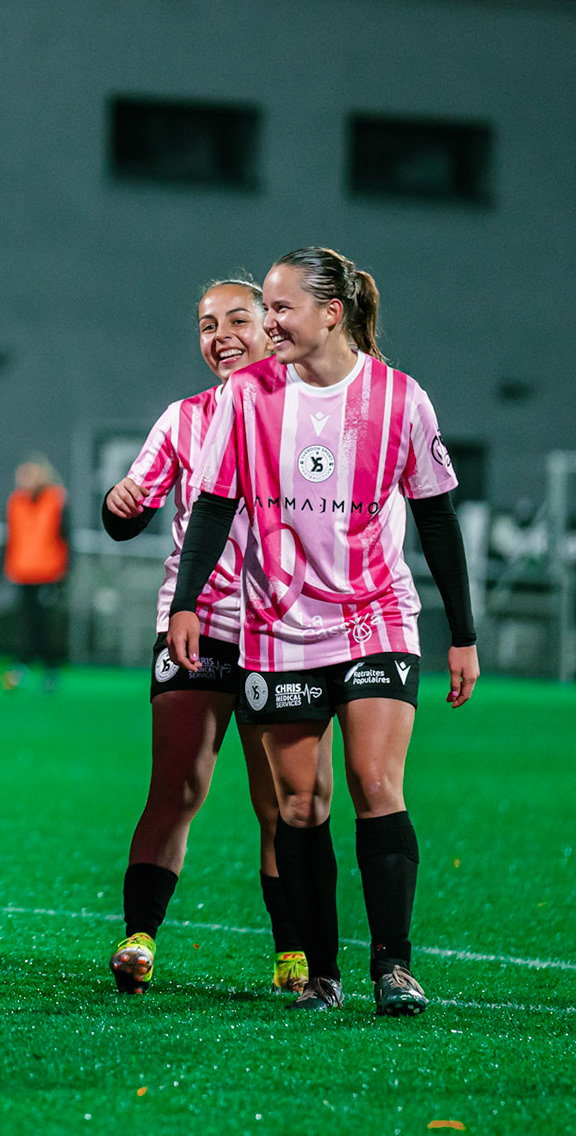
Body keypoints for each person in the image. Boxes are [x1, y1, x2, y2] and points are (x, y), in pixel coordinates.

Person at [168, 247, 479, 1016]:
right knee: (300, 807)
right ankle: (322, 974)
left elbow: (438, 517)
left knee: (377, 784)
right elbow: (211, 506)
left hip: (375, 616)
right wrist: (185, 602)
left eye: (279, 309)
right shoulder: (246, 397)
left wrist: (462, 633)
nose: (264, 323)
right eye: (264, 309)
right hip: (277, 626)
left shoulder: (401, 399)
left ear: (330, 312)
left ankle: (394, 968)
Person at [102, 278, 328, 996]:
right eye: (207, 324)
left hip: (285, 629)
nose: (222, 334)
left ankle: (292, 952)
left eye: (238, 318)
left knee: (281, 798)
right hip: (195, 621)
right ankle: (138, 938)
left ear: (273, 328)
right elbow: (129, 509)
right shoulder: (184, 418)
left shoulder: (314, 418)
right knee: (177, 783)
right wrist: (121, 503)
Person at [3, 456, 69, 691]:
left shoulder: (55, 500)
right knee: (25, 623)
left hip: (48, 573)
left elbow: (65, 537)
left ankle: (50, 670)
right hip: (22, 572)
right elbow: (10, 537)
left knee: (45, 625)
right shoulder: (16, 502)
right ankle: (22, 666)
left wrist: (65, 574)